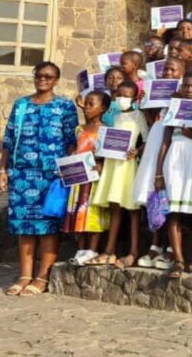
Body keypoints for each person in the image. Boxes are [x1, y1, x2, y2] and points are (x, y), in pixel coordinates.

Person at [0, 61, 78, 297]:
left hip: (52, 174)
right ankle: (24, 275)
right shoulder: (21, 105)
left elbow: (72, 142)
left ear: (56, 80)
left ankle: (42, 276)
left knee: (47, 226)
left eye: (48, 76)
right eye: (39, 75)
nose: (42, 79)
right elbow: (8, 140)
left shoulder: (64, 106)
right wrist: (2, 170)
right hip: (22, 172)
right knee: (24, 225)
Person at [155, 70, 192, 278]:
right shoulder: (174, 109)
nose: (189, 90)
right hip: (175, 159)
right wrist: (158, 173)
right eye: (186, 86)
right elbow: (165, 141)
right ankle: (179, 260)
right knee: (174, 210)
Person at [134, 57, 186, 269]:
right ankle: (155, 245)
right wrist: (146, 103)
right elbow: (152, 120)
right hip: (156, 140)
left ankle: (171, 249)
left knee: (172, 196)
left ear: (182, 72)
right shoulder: (158, 91)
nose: (168, 73)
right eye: (165, 69)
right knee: (155, 195)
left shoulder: (185, 92)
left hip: (173, 146)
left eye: (172, 69)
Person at [91, 82, 149, 269]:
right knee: (115, 206)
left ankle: (133, 251)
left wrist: (137, 151)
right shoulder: (113, 116)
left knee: (132, 209)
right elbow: (105, 136)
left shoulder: (138, 116)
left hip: (128, 165)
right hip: (113, 164)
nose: (123, 98)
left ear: (134, 97)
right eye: (120, 94)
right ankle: (109, 250)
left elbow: (147, 140)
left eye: (127, 95)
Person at [63, 90, 111, 266]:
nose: (86, 108)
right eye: (86, 104)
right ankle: (81, 248)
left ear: (103, 108)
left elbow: (107, 155)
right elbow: (76, 148)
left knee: (93, 213)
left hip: (95, 178)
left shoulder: (106, 130)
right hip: (78, 178)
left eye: (92, 105)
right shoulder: (80, 129)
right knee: (78, 212)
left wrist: (99, 160)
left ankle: (92, 249)